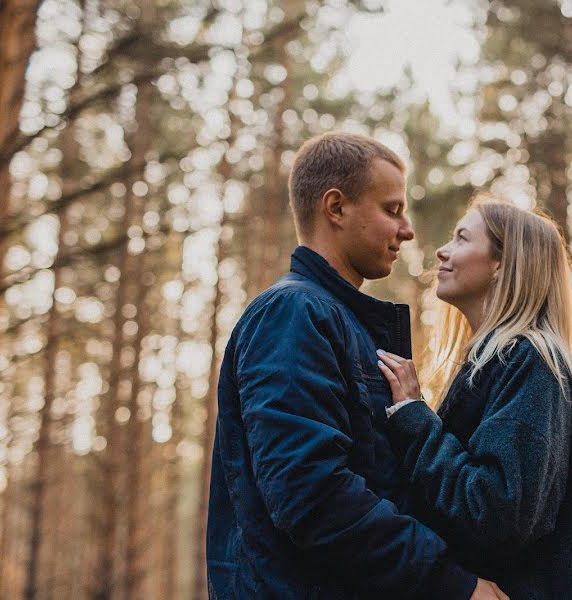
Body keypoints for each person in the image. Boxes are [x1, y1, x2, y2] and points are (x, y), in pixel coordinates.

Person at [205, 133, 507, 599]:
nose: (406, 230)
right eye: (392, 209)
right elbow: (311, 494)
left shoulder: (338, 322)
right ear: (336, 208)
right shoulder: (292, 314)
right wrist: (452, 583)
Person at [376, 197, 572, 600]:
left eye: (462, 238)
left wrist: (415, 420)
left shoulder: (532, 361)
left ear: (503, 262)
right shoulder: (496, 365)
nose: (442, 251)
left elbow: (498, 513)